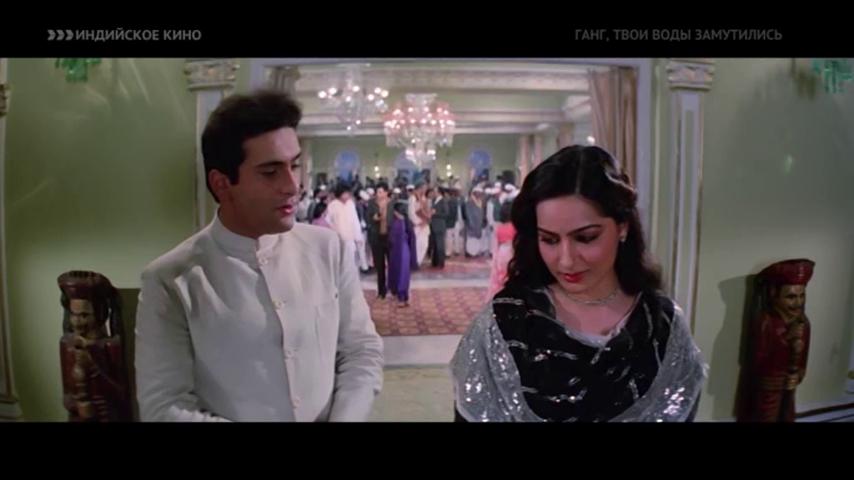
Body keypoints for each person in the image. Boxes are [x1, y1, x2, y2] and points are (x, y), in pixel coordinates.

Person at [135, 90, 383, 422]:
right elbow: (164, 407)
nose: (292, 186)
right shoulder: (171, 280)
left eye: (294, 165)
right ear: (222, 184)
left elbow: (361, 352)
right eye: (270, 172)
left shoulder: (329, 249)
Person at [451, 145, 706, 422]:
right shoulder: (505, 321)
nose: (566, 261)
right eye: (549, 240)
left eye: (585, 238)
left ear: (622, 227)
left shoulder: (661, 325)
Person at [737, 259, 814, 422]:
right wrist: (786, 338)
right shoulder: (766, 322)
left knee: (787, 416)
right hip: (769, 387)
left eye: (802, 296)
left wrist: (798, 375)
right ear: (774, 296)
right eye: (791, 297)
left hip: (789, 383)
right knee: (767, 416)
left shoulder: (803, 323)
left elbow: (804, 357)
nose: (798, 303)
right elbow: (757, 360)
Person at [366, 182, 394, 299]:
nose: (378, 194)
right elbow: (367, 218)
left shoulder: (392, 203)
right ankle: (381, 291)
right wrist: (374, 218)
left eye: (381, 192)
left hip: (390, 237)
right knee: (379, 266)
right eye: (377, 192)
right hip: (377, 237)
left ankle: (393, 289)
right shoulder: (372, 203)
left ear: (386, 192)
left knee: (392, 264)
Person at [388, 200, 417, 308]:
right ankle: (404, 296)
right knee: (402, 274)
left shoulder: (399, 223)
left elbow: (392, 239)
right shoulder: (405, 222)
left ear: (396, 211)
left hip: (399, 251)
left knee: (400, 273)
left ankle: (402, 297)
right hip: (403, 250)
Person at [486, 200, 516, 300]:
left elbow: (495, 246)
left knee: (500, 277)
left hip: (501, 253)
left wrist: (495, 260)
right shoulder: (515, 228)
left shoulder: (499, 228)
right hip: (511, 252)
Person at [428, 186, 450, 268]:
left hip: (440, 225)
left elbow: (446, 214)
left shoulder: (443, 201)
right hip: (433, 225)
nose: (433, 193)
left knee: (440, 245)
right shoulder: (434, 200)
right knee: (434, 245)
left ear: (439, 192)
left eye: (435, 191)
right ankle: (435, 262)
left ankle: (441, 262)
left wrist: (435, 213)